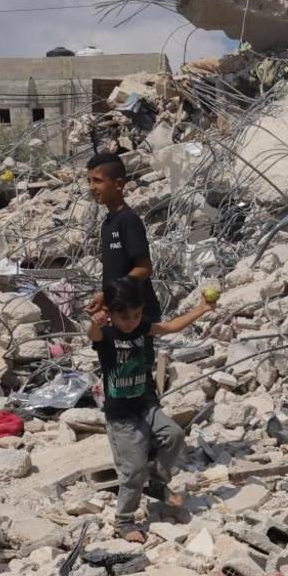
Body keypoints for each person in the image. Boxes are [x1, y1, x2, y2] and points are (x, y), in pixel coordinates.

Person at [87, 275, 214, 542]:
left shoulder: (141, 328)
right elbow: (94, 334)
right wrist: (95, 323)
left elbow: (169, 327)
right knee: (132, 471)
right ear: (110, 314)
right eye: (125, 317)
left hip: (145, 403)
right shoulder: (107, 334)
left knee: (174, 435)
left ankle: (157, 483)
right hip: (121, 415)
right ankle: (124, 521)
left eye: (136, 315)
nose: (131, 322)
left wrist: (201, 309)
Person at [85, 152, 162, 323]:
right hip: (121, 316)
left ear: (118, 184)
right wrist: (106, 304)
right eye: (89, 181)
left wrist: (108, 293)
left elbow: (144, 269)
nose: (91, 187)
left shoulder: (128, 220)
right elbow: (116, 271)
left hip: (140, 316)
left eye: (97, 181)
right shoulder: (107, 224)